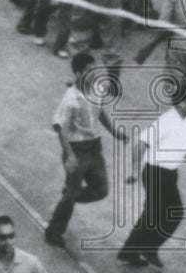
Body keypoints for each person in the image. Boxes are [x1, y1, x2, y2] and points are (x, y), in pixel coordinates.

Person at [118, 83, 186, 268]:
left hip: (169, 174)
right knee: (159, 214)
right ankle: (143, 249)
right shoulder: (167, 121)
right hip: (155, 172)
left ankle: (132, 251)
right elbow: (140, 143)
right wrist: (135, 171)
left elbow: (183, 147)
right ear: (181, 104)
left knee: (163, 214)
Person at [44, 52, 127, 247]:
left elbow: (100, 112)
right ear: (79, 73)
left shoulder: (96, 90)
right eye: (89, 71)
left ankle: (69, 196)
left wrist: (115, 131)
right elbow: (61, 128)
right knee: (72, 193)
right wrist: (70, 155)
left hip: (94, 148)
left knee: (101, 190)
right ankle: (53, 231)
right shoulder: (71, 98)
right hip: (77, 149)